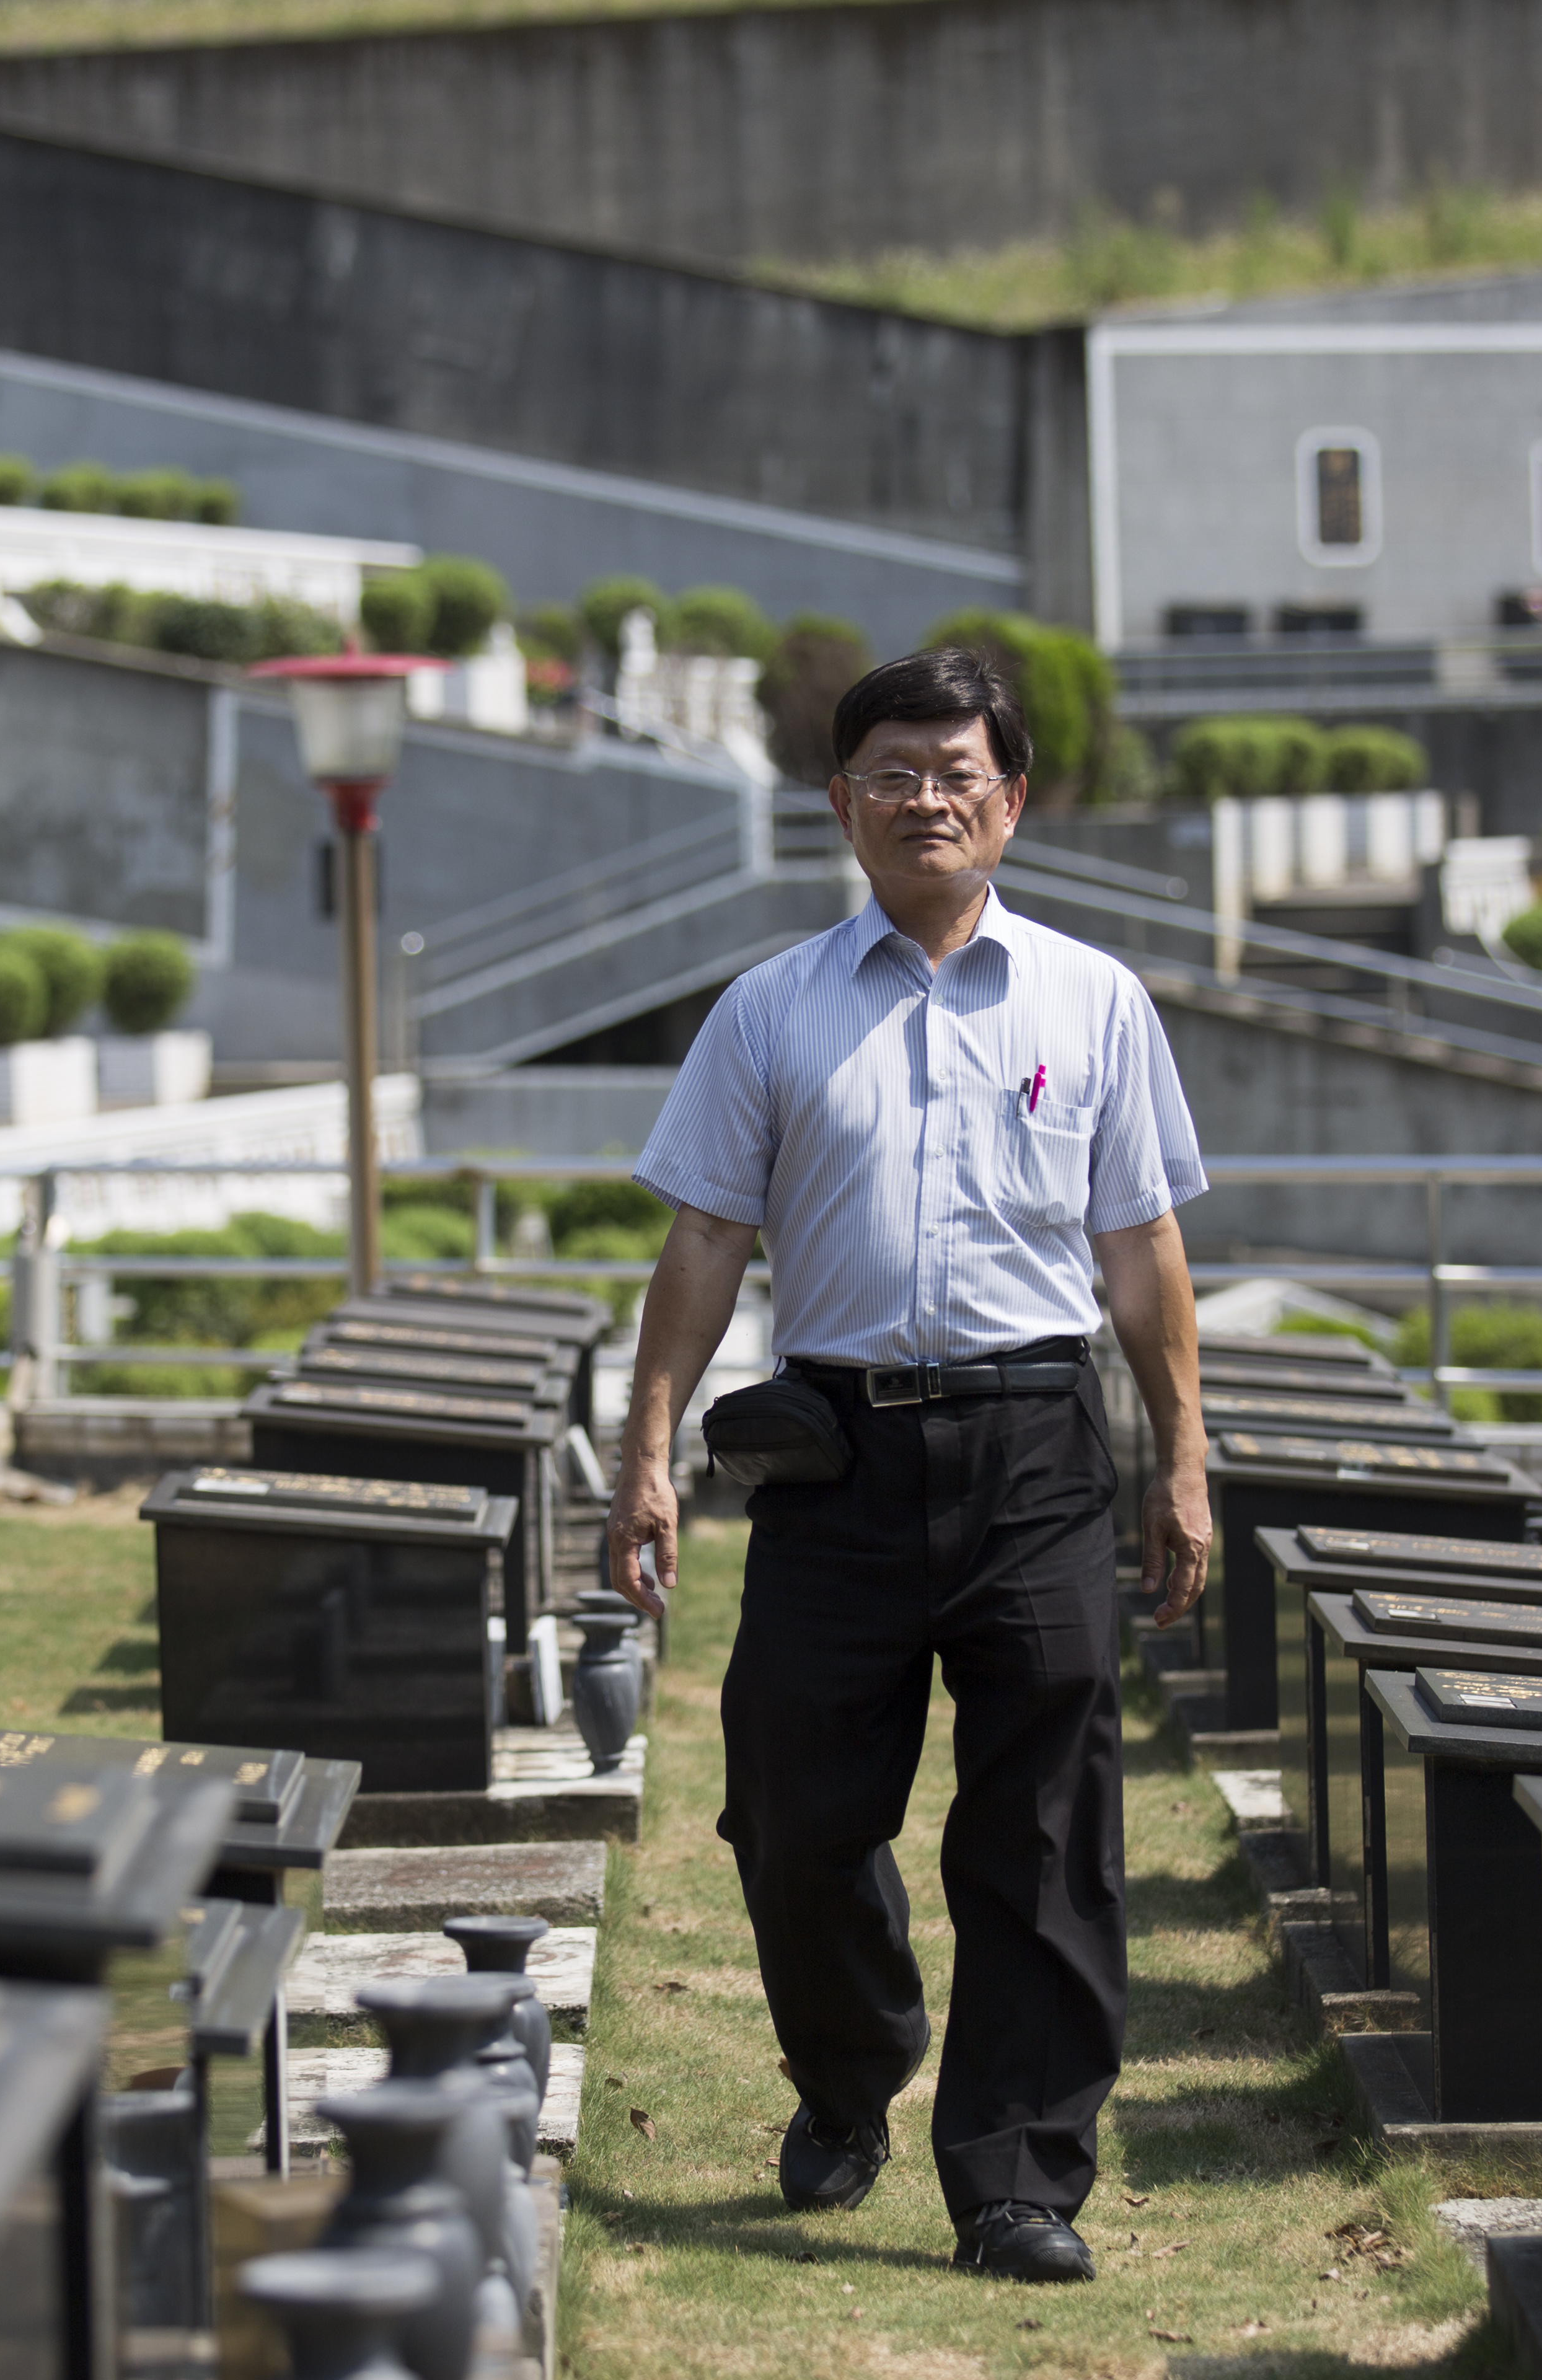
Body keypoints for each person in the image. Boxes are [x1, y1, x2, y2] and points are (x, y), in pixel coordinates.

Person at [605, 646, 1212, 2284]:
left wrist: (1184, 1463)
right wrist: (647, 1445)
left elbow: (1143, 1249)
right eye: (893, 773)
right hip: (835, 1458)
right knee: (791, 1807)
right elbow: (706, 1240)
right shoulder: (770, 1010)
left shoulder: (1094, 1002)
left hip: (1034, 1448)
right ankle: (854, 2064)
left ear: (1009, 802)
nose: (926, 800)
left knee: (1045, 1825)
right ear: (841, 802)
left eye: (958, 774)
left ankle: (1016, 2178)